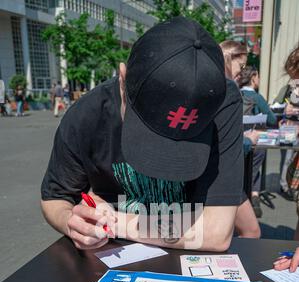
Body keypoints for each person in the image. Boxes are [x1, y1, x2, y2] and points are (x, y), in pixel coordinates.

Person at [41, 17, 245, 252]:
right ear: (122, 78)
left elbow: (217, 233)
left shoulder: (222, 101)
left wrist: (116, 223)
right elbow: (54, 197)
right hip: (108, 256)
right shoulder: (88, 113)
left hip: (186, 259)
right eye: (146, 128)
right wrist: (71, 221)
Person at [220, 40, 261, 238]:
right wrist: (247, 141)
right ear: (228, 58)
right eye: (241, 65)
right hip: (224, 175)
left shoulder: (215, 88)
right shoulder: (227, 91)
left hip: (220, 174)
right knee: (251, 231)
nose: (243, 71)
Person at [239, 66, 277, 218]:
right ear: (253, 78)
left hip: (236, 140)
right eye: (258, 76)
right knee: (254, 170)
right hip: (255, 140)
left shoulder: (235, 93)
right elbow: (272, 119)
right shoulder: (257, 97)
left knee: (241, 171)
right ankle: (254, 197)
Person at [274, 45, 299, 200]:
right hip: (288, 126)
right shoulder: (288, 89)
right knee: (287, 156)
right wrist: (285, 109)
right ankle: (285, 185)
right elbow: (277, 105)